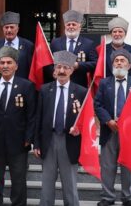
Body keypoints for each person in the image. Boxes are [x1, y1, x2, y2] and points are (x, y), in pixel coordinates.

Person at [94, 49, 131, 206]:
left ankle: (128, 197)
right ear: (112, 65)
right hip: (109, 129)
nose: (119, 63)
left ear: (129, 65)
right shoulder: (104, 83)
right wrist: (108, 120)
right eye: (116, 61)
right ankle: (108, 197)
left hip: (129, 132)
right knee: (107, 165)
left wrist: (127, 121)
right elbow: (98, 104)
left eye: (122, 60)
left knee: (128, 164)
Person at [34, 50, 86, 206]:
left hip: (69, 141)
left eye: (66, 67)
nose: (62, 71)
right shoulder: (45, 90)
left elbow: (86, 119)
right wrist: (36, 143)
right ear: (54, 70)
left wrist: (80, 130)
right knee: (47, 184)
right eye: (58, 67)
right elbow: (39, 117)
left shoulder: (81, 92)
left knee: (69, 184)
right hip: (48, 141)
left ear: (71, 70)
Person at [0, 46, 37, 206]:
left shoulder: (26, 86)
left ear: (16, 65)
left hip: (19, 142)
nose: (5, 66)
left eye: (9, 62)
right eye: (2, 62)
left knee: (19, 181)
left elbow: (31, 115)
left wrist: (29, 138)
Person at [49, 9, 97, 87]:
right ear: (65, 26)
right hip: (59, 84)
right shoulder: (55, 42)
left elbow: (94, 64)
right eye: (68, 24)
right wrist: (54, 71)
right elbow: (49, 62)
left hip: (80, 86)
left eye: (74, 24)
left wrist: (78, 65)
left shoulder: (88, 44)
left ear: (79, 26)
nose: (71, 27)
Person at [0, 11, 34, 79]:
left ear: (17, 29)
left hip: (22, 85)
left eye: (12, 27)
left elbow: (31, 70)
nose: (9, 30)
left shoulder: (28, 45)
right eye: (6, 27)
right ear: (3, 29)